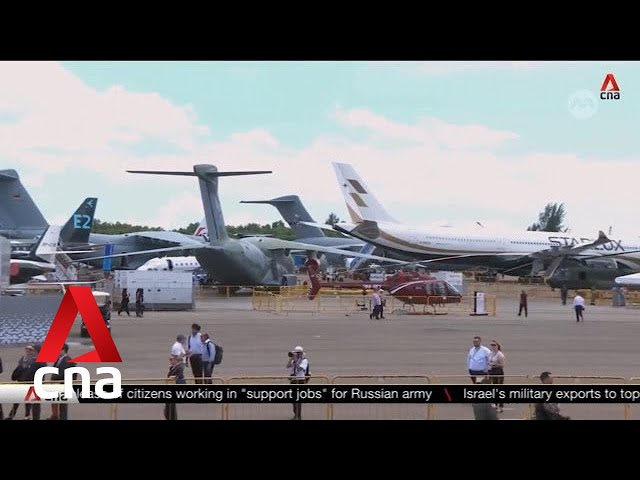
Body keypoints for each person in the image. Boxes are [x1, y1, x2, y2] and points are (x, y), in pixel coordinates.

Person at [6, 345, 36, 420]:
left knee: (28, 401)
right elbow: (18, 367)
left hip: (29, 382)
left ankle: (27, 416)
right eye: (27, 349)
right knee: (17, 400)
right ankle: (11, 415)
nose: (28, 351)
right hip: (20, 381)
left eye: (30, 349)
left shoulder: (34, 359)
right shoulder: (23, 358)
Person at [48, 343, 76, 420]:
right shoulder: (58, 359)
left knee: (63, 404)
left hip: (63, 385)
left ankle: (62, 418)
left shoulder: (69, 361)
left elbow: (65, 374)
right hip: (56, 384)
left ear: (63, 350)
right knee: (54, 401)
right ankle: (55, 416)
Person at [286, 345, 309, 420]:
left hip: (300, 380)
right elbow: (287, 366)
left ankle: (298, 416)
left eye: (297, 353)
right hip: (293, 380)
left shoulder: (304, 360)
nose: (296, 354)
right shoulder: (294, 359)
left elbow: (300, 368)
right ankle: (295, 413)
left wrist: (296, 361)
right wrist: (291, 359)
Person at [164, 355, 185, 420]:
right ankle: (170, 417)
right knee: (168, 407)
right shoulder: (173, 367)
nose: (170, 361)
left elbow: (180, 376)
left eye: (171, 360)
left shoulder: (179, 368)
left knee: (170, 406)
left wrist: (173, 377)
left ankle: (172, 418)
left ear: (176, 361)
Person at [488, 340, 506, 412]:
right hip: (492, 371)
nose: (493, 346)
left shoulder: (500, 354)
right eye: (491, 345)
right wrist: (489, 364)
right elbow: (489, 361)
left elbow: (503, 365)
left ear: (497, 346)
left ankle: (501, 406)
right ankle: (495, 404)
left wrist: (494, 364)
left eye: (494, 345)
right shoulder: (491, 353)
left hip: (498, 372)